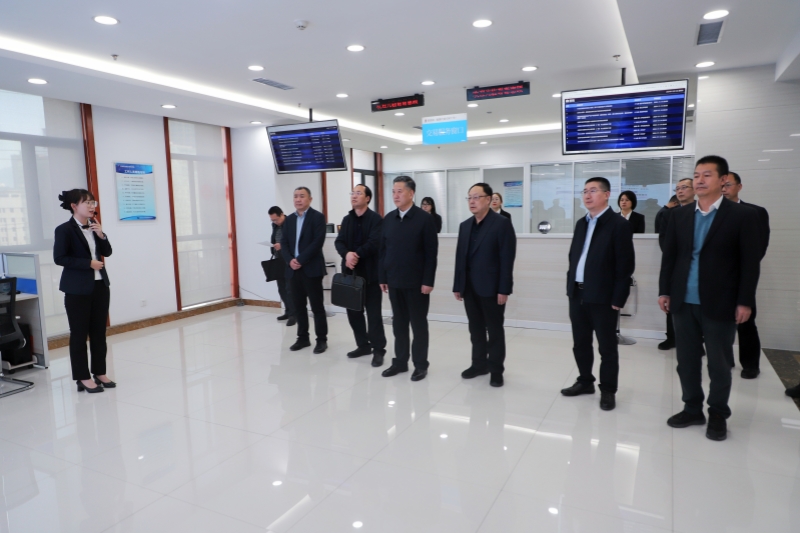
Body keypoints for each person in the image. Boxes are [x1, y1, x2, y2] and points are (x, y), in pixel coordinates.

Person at [659, 155, 760, 441]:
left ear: (723, 180)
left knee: (719, 363)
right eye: (696, 175)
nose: (699, 180)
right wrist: (665, 290)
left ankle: (717, 413)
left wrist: (745, 301)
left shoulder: (742, 215)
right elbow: (670, 257)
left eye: (707, 175)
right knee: (686, 361)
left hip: (721, 302)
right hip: (683, 301)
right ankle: (692, 408)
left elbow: (750, 263)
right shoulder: (679, 215)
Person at [562, 177, 635, 411]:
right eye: (584, 191)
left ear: (606, 194)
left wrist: (618, 298)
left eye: (593, 190)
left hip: (603, 297)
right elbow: (574, 257)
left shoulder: (618, 224)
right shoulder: (581, 223)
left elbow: (625, 265)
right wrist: (571, 286)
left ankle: (608, 390)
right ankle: (585, 381)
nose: (587, 195)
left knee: (607, 347)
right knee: (581, 343)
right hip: (578, 294)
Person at [453, 183, 516, 387]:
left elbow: (507, 258)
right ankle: (479, 364)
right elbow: (460, 258)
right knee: (476, 329)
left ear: (488, 200)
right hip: (469, 287)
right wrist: (458, 285)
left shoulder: (501, 223)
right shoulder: (465, 226)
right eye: (469, 197)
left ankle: (496, 370)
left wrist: (504, 289)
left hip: (492, 287)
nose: (472, 201)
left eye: (476, 197)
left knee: (495, 330)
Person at [53, 189, 114, 393]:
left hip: (100, 286)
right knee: (79, 333)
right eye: (86, 202)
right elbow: (59, 258)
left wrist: (101, 235)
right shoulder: (64, 230)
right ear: (74, 206)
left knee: (99, 332)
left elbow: (107, 252)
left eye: (92, 202)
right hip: (77, 289)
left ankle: (99, 372)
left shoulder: (94, 226)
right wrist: (88, 263)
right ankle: (82, 377)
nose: (91, 206)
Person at [379, 176, 438, 381]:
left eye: (400, 191)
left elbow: (431, 253)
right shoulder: (389, 219)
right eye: (393, 191)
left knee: (418, 325)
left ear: (411, 193)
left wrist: (428, 281)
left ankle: (420, 364)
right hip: (394, 281)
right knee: (399, 324)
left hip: (417, 283)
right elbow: (383, 251)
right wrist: (382, 276)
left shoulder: (424, 219)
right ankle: (400, 362)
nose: (395, 195)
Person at [722, 171, 770, 379]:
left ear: (739, 187)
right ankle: (724, 361)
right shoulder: (711, 212)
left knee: (746, 321)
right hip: (716, 277)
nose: (724, 189)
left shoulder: (755, 212)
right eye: (721, 185)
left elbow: (760, 246)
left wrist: (745, 268)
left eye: (728, 185)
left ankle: (750, 364)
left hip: (742, 276)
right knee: (719, 322)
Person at [335, 184, 386, 367]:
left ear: (367, 198)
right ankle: (363, 345)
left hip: (370, 275)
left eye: (358, 193)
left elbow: (375, 242)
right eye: (353, 193)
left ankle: (378, 349)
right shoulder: (347, 219)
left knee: (373, 316)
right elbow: (339, 242)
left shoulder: (376, 219)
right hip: (351, 275)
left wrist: (355, 255)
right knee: (354, 313)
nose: (354, 196)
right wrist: (346, 254)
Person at [279, 187, 328, 354]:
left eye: (302, 196)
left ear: (310, 199)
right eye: (295, 196)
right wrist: (289, 260)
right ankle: (303, 338)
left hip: (311, 269)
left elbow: (317, 242)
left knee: (317, 306)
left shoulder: (317, 217)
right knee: (299, 306)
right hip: (293, 270)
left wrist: (300, 259)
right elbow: (284, 242)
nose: (298, 199)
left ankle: (321, 339)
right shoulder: (290, 220)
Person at [656, 181, 695, 352]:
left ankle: (697, 341)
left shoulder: (703, 211)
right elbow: (664, 238)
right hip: (676, 264)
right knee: (672, 302)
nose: (680, 191)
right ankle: (671, 337)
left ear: (694, 190)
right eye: (677, 188)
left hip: (696, 267)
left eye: (684, 188)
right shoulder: (670, 214)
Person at [268, 206, 296, 326]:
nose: (275, 222)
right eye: (272, 220)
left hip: (289, 260)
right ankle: (288, 311)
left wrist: (282, 245)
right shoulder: (275, 226)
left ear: (282, 214)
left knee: (290, 288)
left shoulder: (291, 223)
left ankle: (294, 314)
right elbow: (275, 238)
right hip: (278, 258)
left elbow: (294, 242)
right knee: (281, 288)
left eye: (276, 219)